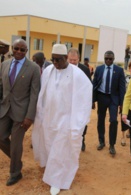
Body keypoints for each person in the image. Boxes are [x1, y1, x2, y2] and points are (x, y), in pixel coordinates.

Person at [32, 44, 92, 195]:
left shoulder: (77, 75)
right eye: (53, 59)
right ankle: (51, 170)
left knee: (61, 150)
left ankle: (57, 181)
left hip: (66, 120)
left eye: (58, 60)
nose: (55, 63)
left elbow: (84, 99)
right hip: (49, 118)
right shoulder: (48, 71)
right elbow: (43, 94)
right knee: (49, 146)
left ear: (66, 58)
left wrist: (78, 124)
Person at [0, 38, 41, 186]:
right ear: (12, 48)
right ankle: (17, 162)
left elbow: (34, 94)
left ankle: (15, 173)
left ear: (26, 51)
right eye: (16, 48)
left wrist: (29, 116)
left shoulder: (34, 68)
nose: (18, 51)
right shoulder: (4, 65)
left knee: (16, 144)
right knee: (1, 136)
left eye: (22, 50)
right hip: (4, 109)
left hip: (21, 113)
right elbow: (1, 87)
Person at [93, 50, 125, 156]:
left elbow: (122, 88)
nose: (108, 60)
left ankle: (112, 145)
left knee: (113, 121)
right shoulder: (99, 69)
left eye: (110, 59)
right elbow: (94, 85)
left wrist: (122, 104)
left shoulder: (119, 70)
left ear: (113, 59)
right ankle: (101, 141)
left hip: (113, 99)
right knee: (100, 120)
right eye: (106, 58)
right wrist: (93, 100)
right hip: (102, 97)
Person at [67, 48, 91, 152]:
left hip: (80, 101)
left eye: (74, 60)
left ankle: (82, 139)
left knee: (81, 120)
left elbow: (89, 86)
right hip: (67, 101)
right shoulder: (64, 68)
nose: (72, 62)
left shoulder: (84, 69)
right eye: (70, 60)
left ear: (78, 59)